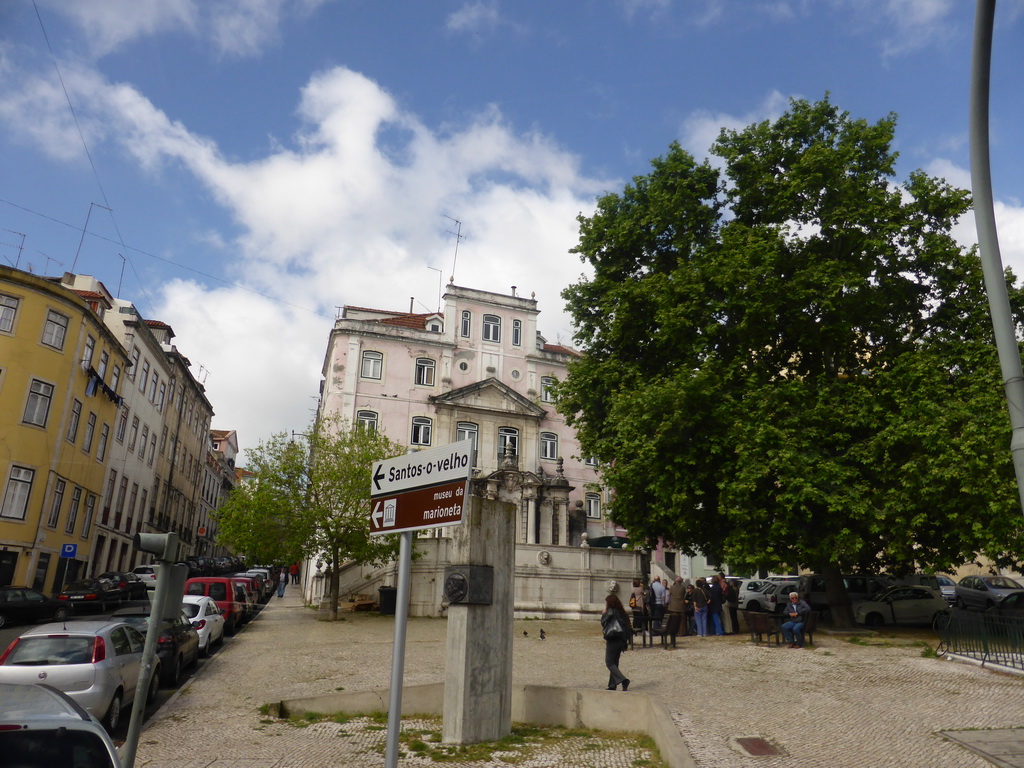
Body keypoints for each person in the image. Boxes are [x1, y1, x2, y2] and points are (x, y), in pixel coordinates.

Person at [601, 593, 630, 691]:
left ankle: (623, 680)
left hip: (613, 638)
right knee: (615, 662)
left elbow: (603, 622)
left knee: (609, 662)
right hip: (621, 639)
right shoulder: (622, 612)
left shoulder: (610, 611)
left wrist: (604, 614)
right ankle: (612, 685)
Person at [665, 576, 686, 648]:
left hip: (673, 605)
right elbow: (683, 595)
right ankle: (681, 632)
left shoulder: (672, 587)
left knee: (673, 620)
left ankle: (673, 633)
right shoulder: (683, 588)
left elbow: (669, 595)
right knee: (681, 620)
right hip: (680, 605)